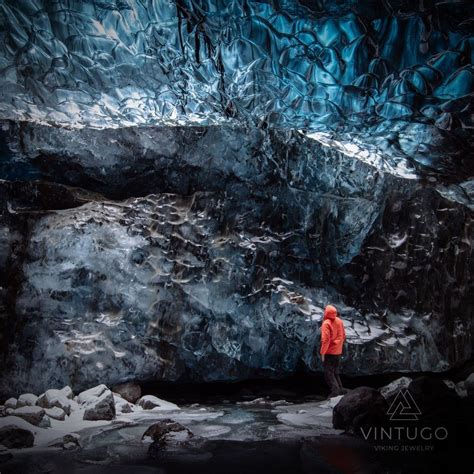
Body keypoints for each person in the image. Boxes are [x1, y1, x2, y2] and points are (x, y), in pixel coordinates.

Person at [320, 304, 347, 397]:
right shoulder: (339, 321)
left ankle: (335, 392)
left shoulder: (326, 323)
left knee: (329, 374)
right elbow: (343, 336)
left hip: (329, 352)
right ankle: (341, 390)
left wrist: (323, 353)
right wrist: (338, 346)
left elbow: (325, 340)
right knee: (335, 372)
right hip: (338, 351)